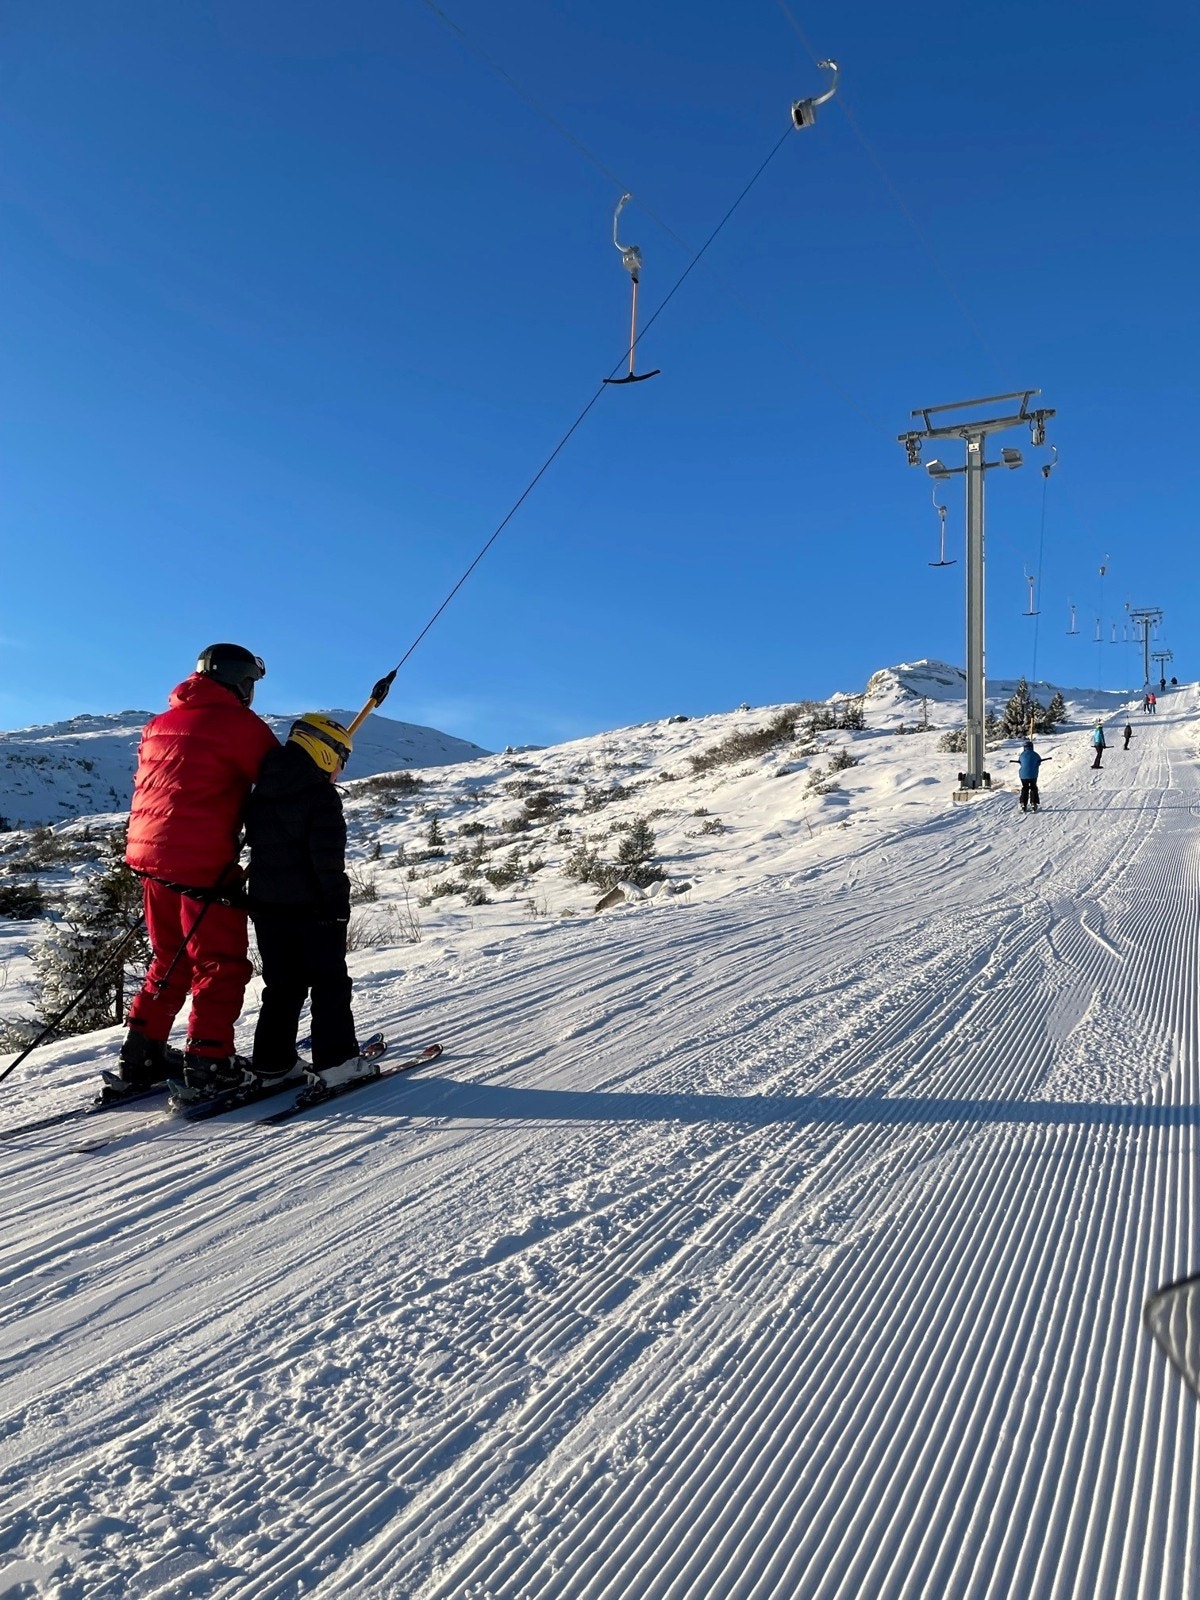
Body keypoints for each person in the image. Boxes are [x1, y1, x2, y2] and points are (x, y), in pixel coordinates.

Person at [118, 644, 278, 1090]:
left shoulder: (158, 724)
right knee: (220, 963)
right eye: (250, 682)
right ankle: (209, 1062)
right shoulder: (239, 725)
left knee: (170, 957)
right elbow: (278, 780)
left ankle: (141, 1051)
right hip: (202, 864)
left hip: (152, 859)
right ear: (238, 681)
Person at [244, 714, 369, 1088]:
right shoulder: (320, 796)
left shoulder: (260, 791)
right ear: (324, 752)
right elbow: (327, 861)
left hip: (267, 907)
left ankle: (273, 1063)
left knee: (282, 985)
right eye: (341, 760)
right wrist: (337, 907)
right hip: (313, 908)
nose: (340, 770)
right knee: (329, 983)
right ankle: (337, 1063)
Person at [1017, 738, 1042, 812]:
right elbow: (1039, 763)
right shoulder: (1036, 754)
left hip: (1023, 775)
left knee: (1025, 788)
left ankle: (1023, 803)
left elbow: (1020, 763)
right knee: (1033, 787)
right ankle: (1033, 803)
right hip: (1033, 775)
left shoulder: (1022, 755)